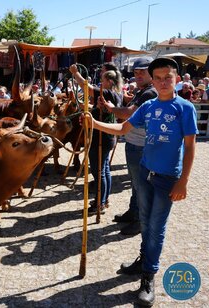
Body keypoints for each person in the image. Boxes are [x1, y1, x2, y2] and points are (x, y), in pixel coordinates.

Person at [84, 57, 198, 306]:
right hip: (145, 173)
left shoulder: (185, 108)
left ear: (177, 79)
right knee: (145, 222)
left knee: (156, 228)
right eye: (158, 78)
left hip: (168, 179)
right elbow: (123, 128)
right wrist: (95, 123)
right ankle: (143, 261)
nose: (163, 82)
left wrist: (184, 181)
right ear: (153, 80)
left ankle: (148, 276)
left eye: (168, 77)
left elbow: (190, 147)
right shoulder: (148, 106)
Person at [100, 57, 158, 235]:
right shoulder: (143, 91)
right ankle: (133, 213)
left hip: (140, 145)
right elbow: (130, 103)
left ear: (152, 73)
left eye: (143, 71)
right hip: (134, 143)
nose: (138, 74)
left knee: (141, 185)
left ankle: (140, 221)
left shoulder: (149, 92)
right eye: (136, 72)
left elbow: (127, 113)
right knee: (135, 183)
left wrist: (111, 108)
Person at [70, 63, 123, 214]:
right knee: (104, 169)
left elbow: (86, 88)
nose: (101, 82)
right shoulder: (116, 94)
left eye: (103, 80)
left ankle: (99, 203)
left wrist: (75, 73)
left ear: (110, 82)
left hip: (101, 137)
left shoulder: (108, 93)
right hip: (107, 136)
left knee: (98, 171)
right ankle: (103, 200)